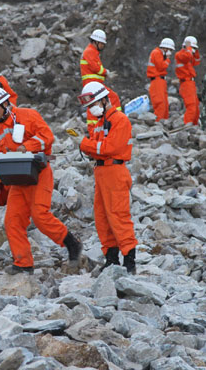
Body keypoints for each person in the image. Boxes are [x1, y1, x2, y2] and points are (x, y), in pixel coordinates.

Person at [0, 86, 83, 275]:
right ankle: (23, 263)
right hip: (19, 179)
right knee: (12, 221)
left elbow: (47, 137)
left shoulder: (28, 115)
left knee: (40, 215)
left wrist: (26, 146)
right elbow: (4, 158)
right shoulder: (0, 128)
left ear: (5, 103)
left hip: (39, 173)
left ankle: (72, 244)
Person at [76, 82, 138, 274]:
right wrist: (90, 146)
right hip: (102, 172)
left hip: (115, 172)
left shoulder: (120, 120)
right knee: (102, 217)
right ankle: (112, 258)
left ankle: (129, 261)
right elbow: (97, 149)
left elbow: (109, 148)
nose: (91, 109)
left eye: (93, 104)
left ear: (104, 100)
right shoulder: (103, 123)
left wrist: (84, 144)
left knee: (119, 216)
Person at [80, 29, 121, 134]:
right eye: (102, 43)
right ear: (95, 42)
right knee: (113, 98)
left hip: (94, 85)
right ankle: (116, 121)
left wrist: (104, 75)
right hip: (93, 86)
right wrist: (106, 72)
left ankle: (99, 126)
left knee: (94, 105)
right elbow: (95, 68)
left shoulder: (92, 52)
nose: (103, 46)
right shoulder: (90, 51)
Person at [175, 36, 201, 125]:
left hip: (191, 83)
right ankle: (188, 124)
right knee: (191, 105)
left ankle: (194, 124)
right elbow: (186, 56)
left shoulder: (189, 56)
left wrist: (196, 51)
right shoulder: (180, 54)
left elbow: (197, 61)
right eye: (192, 47)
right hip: (186, 83)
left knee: (196, 104)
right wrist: (189, 48)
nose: (192, 50)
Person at [147, 38, 175, 121]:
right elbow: (161, 67)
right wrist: (167, 59)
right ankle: (158, 122)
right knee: (160, 103)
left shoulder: (159, 53)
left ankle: (164, 122)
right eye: (170, 50)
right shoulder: (156, 53)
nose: (170, 52)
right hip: (157, 81)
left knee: (165, 103)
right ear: (165, 48)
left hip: (160, 80)